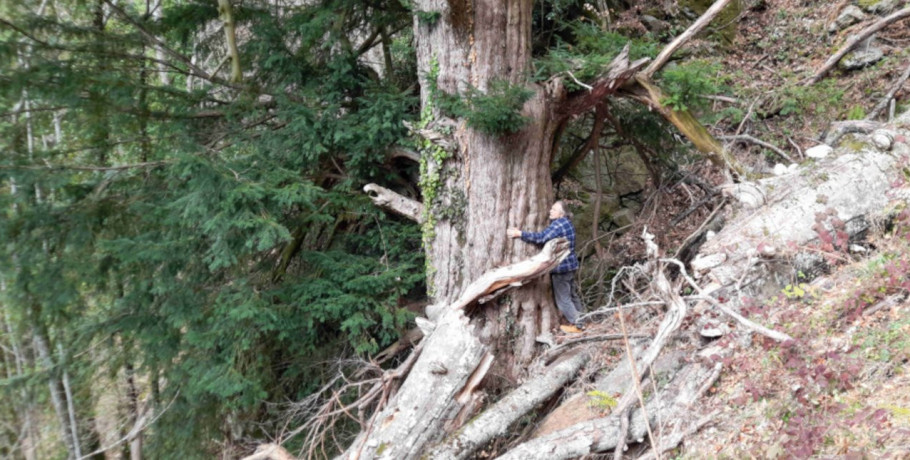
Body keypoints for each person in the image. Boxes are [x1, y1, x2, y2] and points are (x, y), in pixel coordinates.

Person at [507, 201, 585, 333]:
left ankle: (578, 325)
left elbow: (541, 238)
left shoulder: (558, 225)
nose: (550, 211)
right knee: (573, 295)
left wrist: (520, 234)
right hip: (571, 265)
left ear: (561, 213)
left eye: (554, 209)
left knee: (563, 300)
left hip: (562, 268)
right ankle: (585, 319)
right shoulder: (567, 223)